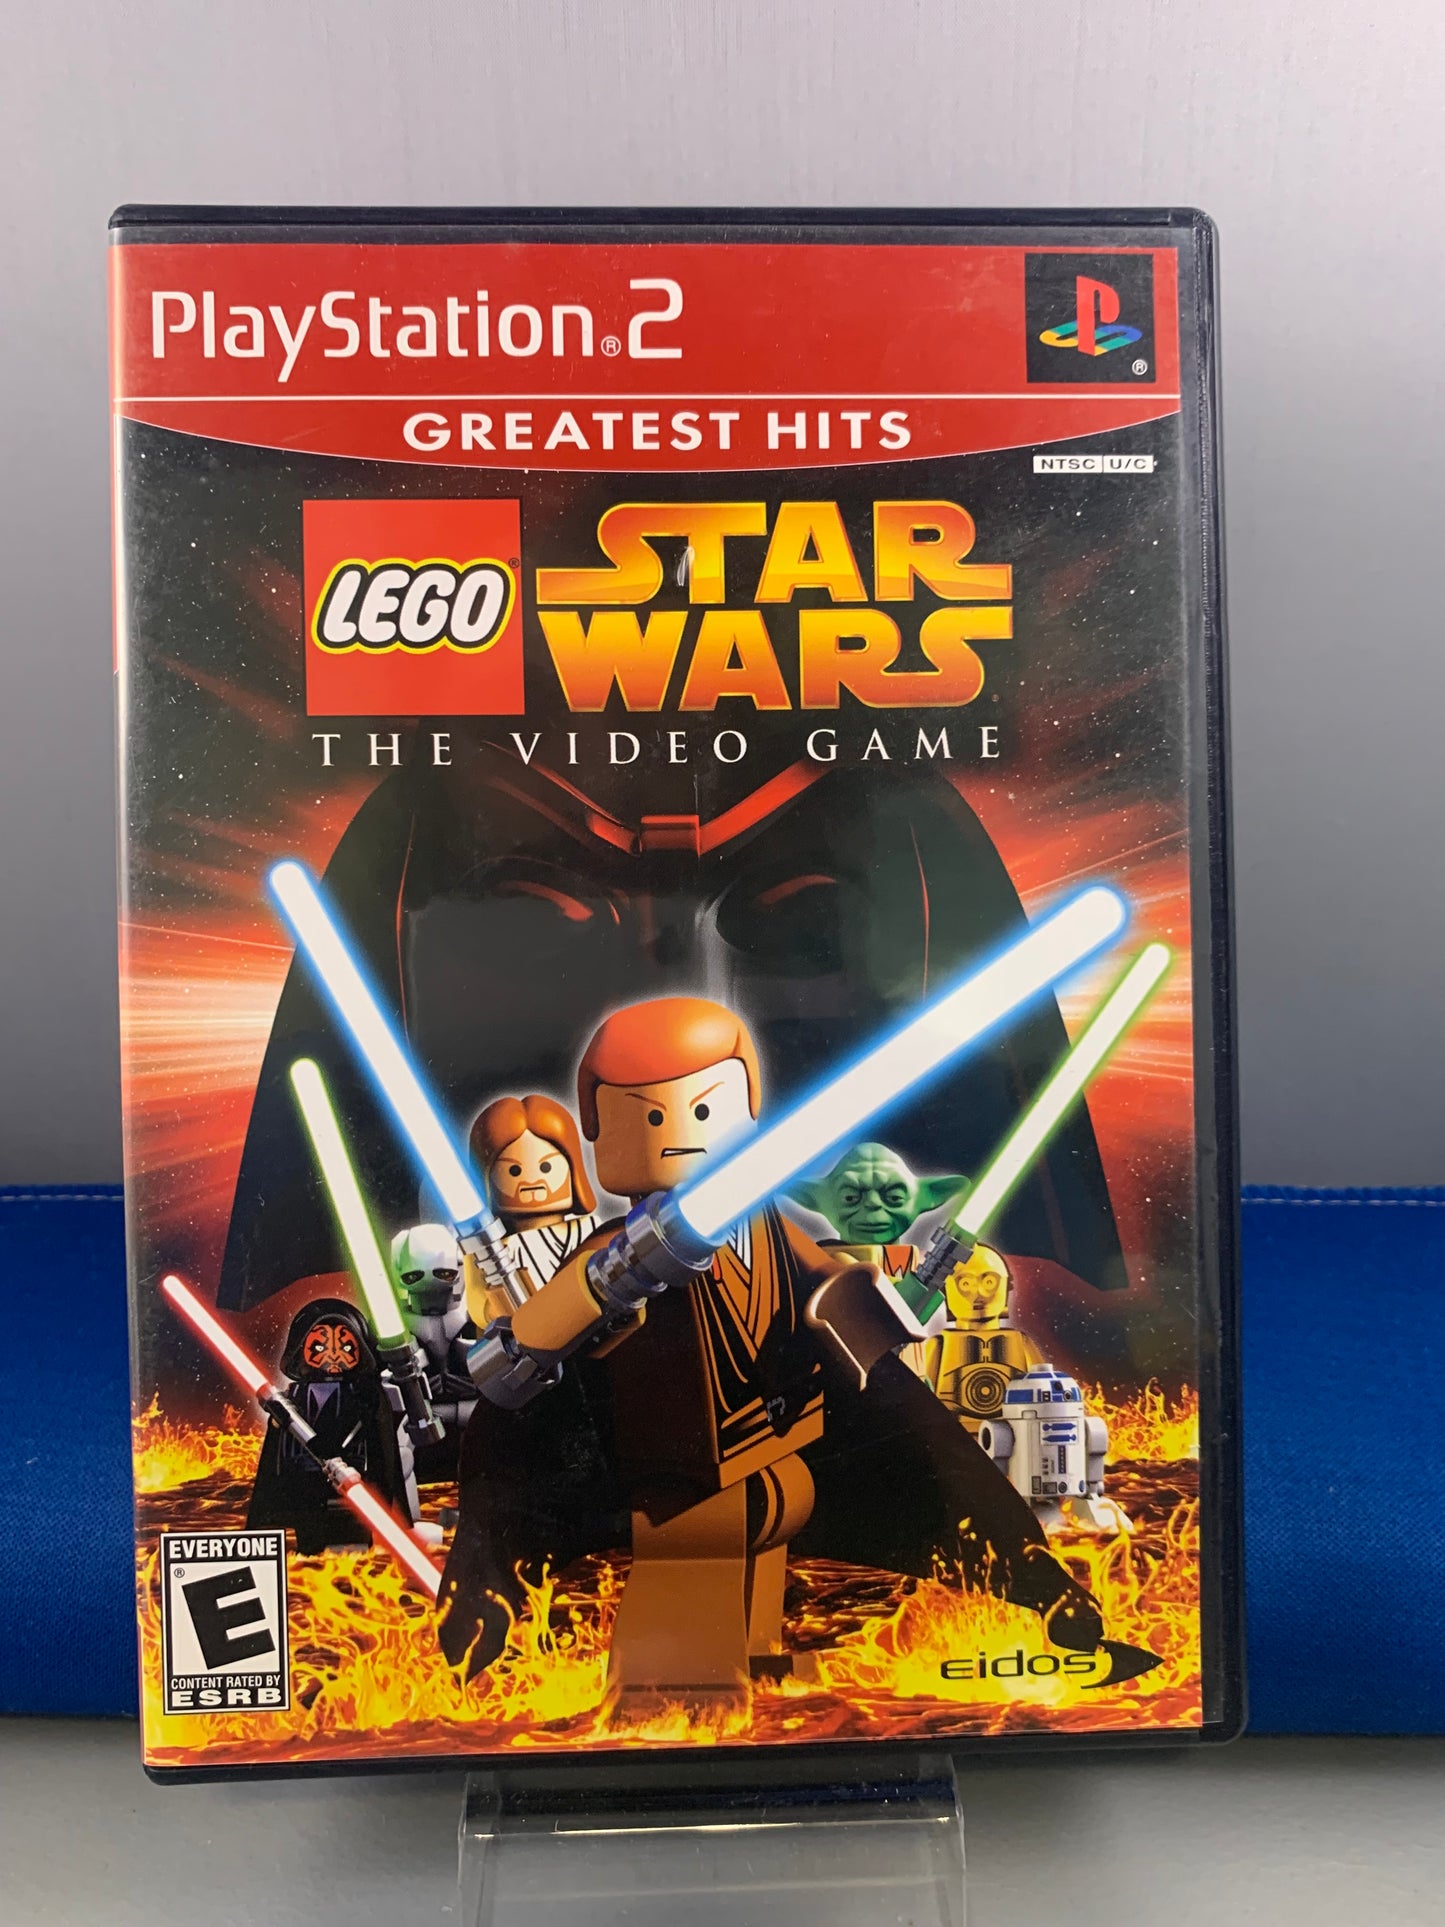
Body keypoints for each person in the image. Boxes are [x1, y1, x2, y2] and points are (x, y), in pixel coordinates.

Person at [439, 997, 1143, 1703]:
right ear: (601, 1130)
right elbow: (537, 1351)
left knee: (909, 1433)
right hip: (675, 1482)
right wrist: (581, 1308)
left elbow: (824, 1285)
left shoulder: (765, 1225)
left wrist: (870, 1315)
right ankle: (664, 1688)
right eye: (650, 1117)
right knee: (692, 1578)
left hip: (779, 1440)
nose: (679, 1133)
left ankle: (1025, 1576)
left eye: (703, 1109)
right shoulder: (615, 1256)